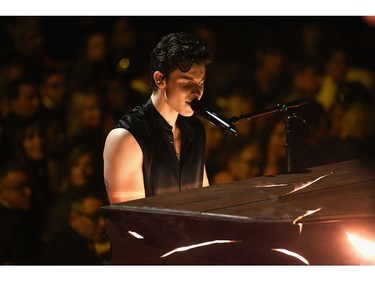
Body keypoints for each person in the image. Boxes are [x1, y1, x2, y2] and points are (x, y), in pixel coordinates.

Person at [103, 32, 213, 204]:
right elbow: (128, 221)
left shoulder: (196, 131)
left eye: (200, 82)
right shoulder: (126, 138)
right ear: (160, 79)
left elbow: (204, 204)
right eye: (186, 82)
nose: (197, 92)